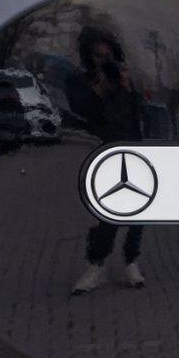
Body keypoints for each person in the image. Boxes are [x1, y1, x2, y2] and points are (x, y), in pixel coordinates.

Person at [66, 26, 147, 292]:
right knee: (108, 210)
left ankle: (131, 262)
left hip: (133, 147)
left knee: (140, 209)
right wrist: (99, 89)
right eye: (98, 56)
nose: (104, 60)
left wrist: (127, 87)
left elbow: (140, 112)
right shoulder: (80, 81)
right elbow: (79, 110)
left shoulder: (122, 76)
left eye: (108, 55)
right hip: (102, 150)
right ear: (88, 56)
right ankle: (96, 265)